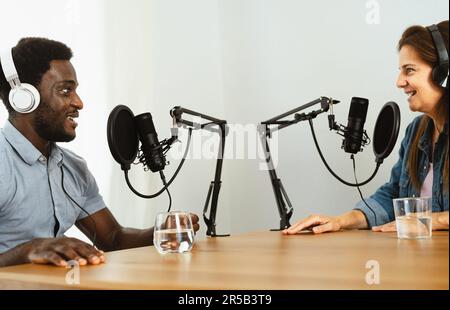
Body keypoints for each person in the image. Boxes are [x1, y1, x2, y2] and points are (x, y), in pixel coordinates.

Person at [0, 38, 199, 267]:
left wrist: (162, 231)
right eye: (66, 91)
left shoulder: (73, 168)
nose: (79, 102)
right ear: (24, 98)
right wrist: (28, 251)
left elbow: (113, 238)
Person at [284, 21, 449, 235]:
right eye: (400, 71)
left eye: (409, 70)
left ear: (443, 73)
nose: (399, 82)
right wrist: (340, 221)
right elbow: (393, 196)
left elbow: (424, 220)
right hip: (417, 260)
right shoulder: (416, 131)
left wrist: (435, 220)